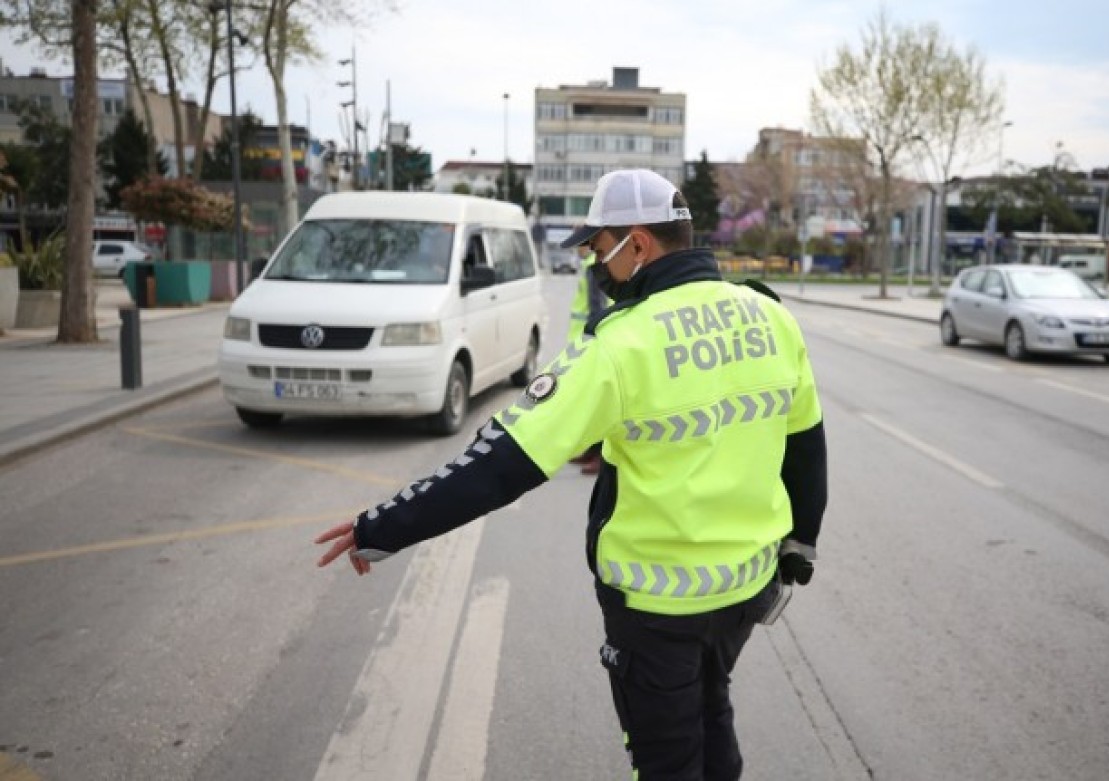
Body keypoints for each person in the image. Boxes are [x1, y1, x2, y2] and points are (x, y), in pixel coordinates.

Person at [315, 168, 828, 780]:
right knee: (711, 712)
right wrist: (802, 544)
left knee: (665, 761)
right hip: (744, 591)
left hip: (656, 606)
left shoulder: (620, 346)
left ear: (637, 244)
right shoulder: (768, 315)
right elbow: (806, 444)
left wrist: (386, 525)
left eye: (596, 247)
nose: (593, 262)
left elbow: (502, 464)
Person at [566, 239, 611, 474]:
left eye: (579, 246)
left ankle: (602, 456)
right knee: (591, 403)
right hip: (585, 340)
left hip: (590, 342)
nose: (577, 250)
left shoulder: (595, 266)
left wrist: (593, 341)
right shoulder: (595, 263)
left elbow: (597, 306)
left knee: (597, 404)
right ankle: (593, 451)